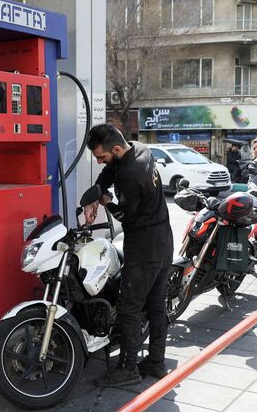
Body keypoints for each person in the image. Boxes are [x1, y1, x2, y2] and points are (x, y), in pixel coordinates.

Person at [82, 124, 173, 387]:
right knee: (156, 305)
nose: (100, 162)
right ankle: (156, 361)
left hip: (144, 246)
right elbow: (110, 170)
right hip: (164, 241)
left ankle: (128, 368)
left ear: (117, 149)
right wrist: (97, 192)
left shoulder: (130, 176)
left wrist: (107, 203)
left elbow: (127, 219)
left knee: (129, 308)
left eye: (102, 156)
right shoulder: (140, 148)